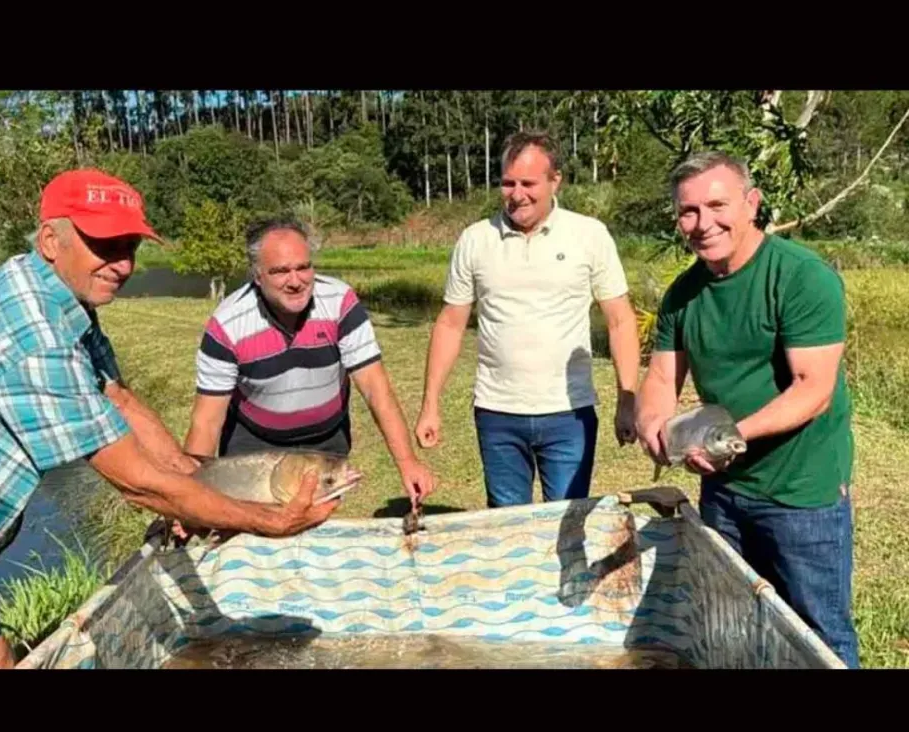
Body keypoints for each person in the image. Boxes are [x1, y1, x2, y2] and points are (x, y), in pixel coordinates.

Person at [0, 170, 338, 670]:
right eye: (104, 245)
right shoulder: (35, 337)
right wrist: (270, 520)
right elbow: (139, 486)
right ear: (51, 240)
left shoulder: (51, 294)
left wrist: (197, 485)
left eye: (130, 246)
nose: (122, 264)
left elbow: (117, 397)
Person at [634, 150, 859, 668]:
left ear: (752, 203)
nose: (703, 223)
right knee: (731, 626)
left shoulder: (800, 277)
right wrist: (652, 423)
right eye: (688, 211)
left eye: (717, 205)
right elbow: (663, 376)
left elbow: (813, 388)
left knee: (818, 634)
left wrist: (725, 437)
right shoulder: (683, 294)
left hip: (802, 493)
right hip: (724, 493)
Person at [413, 131, 640, 508]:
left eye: (528, 183)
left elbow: (619, 320)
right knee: (507, 523)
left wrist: (627, 399)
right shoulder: (475, 240)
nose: (517, 194)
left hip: (570, 414)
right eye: (508, 182)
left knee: (566, 522)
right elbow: (450, 323)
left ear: (556, 181)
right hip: (498, 412)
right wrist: (430, 403)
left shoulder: (589, 235)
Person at [182, 217, 437, 507]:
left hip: (325, 443)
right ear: (257, 275)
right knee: (257, 533)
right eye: (280, 271)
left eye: (303, 267)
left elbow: (375, 389)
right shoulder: (226, 325)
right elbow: (206, 421)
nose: (295, 281)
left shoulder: (341, 302)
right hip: (255, 448)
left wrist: (408, 463)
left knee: (315, 530)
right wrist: (187, 498)